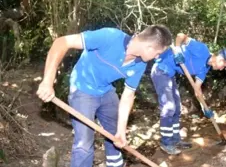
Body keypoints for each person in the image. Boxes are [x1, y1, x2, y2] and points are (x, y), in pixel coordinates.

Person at [36, 25, 172, 167]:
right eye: (157, 53)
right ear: (149, 47)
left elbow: (128, 95)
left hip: (106, 90)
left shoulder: (140, 64)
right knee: (84, 142)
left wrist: (121, 131)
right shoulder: (110, 37)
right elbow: (61, 42)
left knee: (115, 134)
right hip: (82, 89)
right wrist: (47, 81)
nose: (157, 57)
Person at [150, 33, 226, 155]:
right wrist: (178, 50)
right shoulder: (202, 49)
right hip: (160, 69)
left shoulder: (204, 70)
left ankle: (175, 140)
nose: (222, 69)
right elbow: (180, 36)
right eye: (224, 66)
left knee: (177, 109)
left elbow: (197, 90)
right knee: (169, 107)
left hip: (170, 74)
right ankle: (166, 142)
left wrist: (205, 108)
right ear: (221, 59)